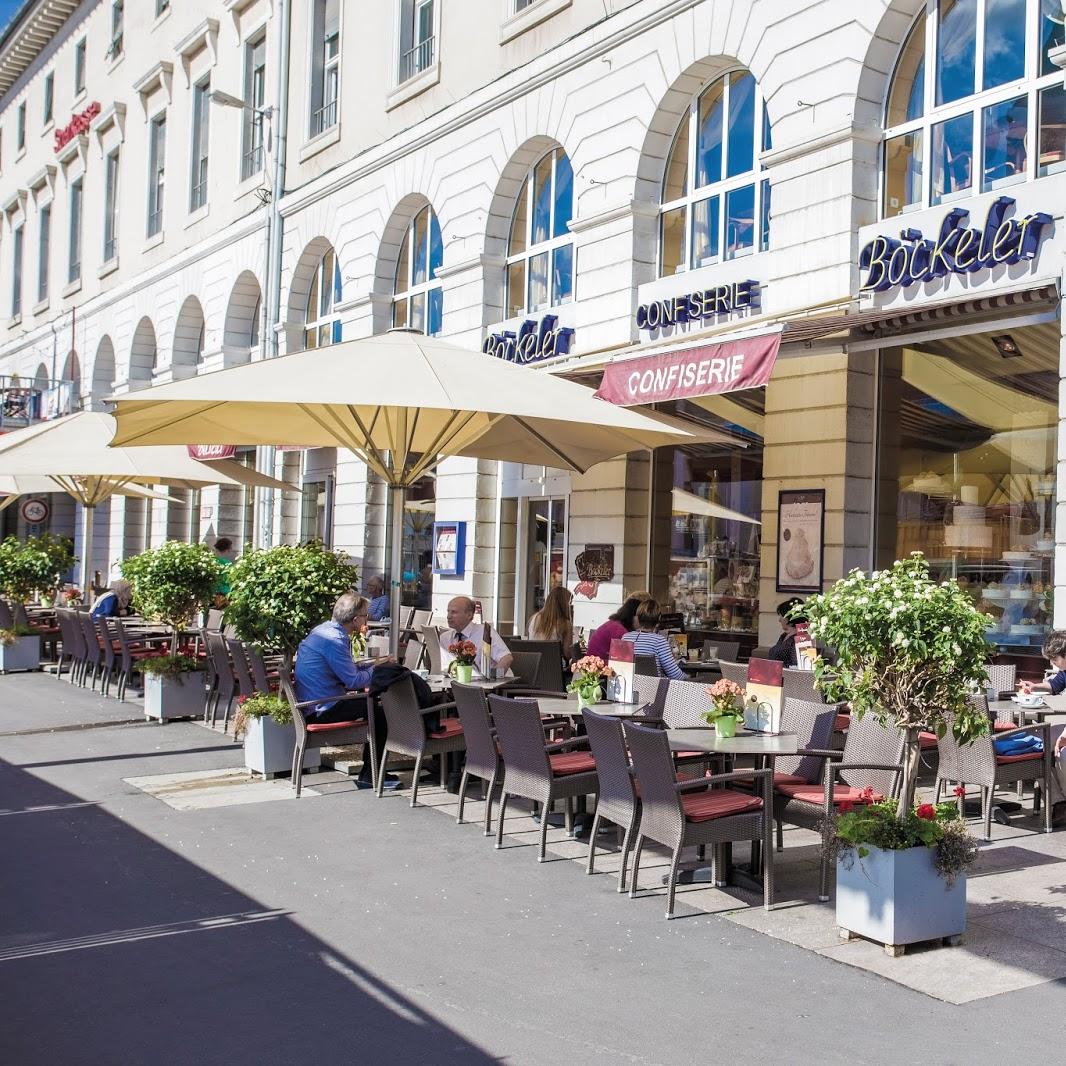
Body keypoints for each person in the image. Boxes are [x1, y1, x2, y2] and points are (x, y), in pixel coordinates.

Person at [295, 593, 397, 789]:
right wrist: (377, 668)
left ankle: (374, 770)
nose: (367, 619)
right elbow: (352, 681)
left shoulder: (323, 630)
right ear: (356, 619)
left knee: (375, 707)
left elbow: (346, 671)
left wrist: (374, 664)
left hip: (312, 704)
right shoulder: (335, 639)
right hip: (322, 709)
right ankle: (371, 774)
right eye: (366, 616)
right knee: (382, 713)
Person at [440, 595, 513, 675]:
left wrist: (493, 679)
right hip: (461, 683)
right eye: (448, 611)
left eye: (454, 612)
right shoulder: (445, 638)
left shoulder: (485, 633)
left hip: (492, 684)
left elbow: (506, 658)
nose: (448, 616)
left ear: (469, 615)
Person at [621, 598, 686, 680]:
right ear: (659, 618)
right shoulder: (659, 641)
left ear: (637, 618)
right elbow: (675, 675)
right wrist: (694, 680)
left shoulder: (625, 637)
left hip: (629, 688)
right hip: (654, 690)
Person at [587, 594, 647, 661]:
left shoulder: (615, 624)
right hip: (599, 665)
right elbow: (624, 660)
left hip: (596, 662)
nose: (643, 622)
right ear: (633, 616)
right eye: (641, 618)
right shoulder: (619, 630)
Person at [527, 586, 576, 654]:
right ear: (564, 604)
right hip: (554, 663)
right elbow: (568, 654)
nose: (571, 606)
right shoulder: (565, 624)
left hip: (534, 662)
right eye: (570, 603)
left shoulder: (534, 619)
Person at [767, 598, 806, 666]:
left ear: (790, 618)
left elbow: (796, 667)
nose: (779, 620)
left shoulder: (800, 639)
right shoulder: (784, 636)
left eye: (782, 616)